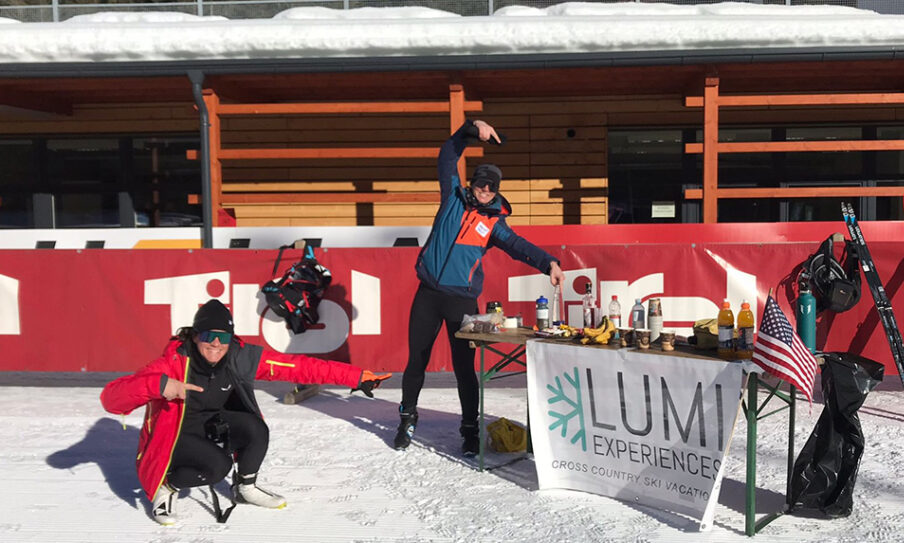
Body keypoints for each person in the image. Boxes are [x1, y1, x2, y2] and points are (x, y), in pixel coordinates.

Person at [100, 299, 391, 526]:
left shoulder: (240, 357)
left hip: (211, 425)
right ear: (195, 335)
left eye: (223, 337)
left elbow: (299, 367)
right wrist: (161, 385)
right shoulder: (172, 362)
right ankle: (167, 485)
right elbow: (111, 399)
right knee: (218, 467)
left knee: (255, 428)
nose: (216, 343)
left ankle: (246, 487)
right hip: (175, 436)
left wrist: (357, 376)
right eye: (208, 335)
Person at [394, 119, 565, 456]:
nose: (485, 190)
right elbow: (446, 156)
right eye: (481, 184)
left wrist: (548, 263)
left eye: (492, 186)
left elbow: (518, 245)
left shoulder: (493, 224)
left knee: (464, 369)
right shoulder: (452, 199)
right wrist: (468, 130)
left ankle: (469, 429)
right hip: (428, 294)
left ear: (497, 190)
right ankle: (406, 419)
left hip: (461, 301)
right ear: (472, 184)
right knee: (417, 360)